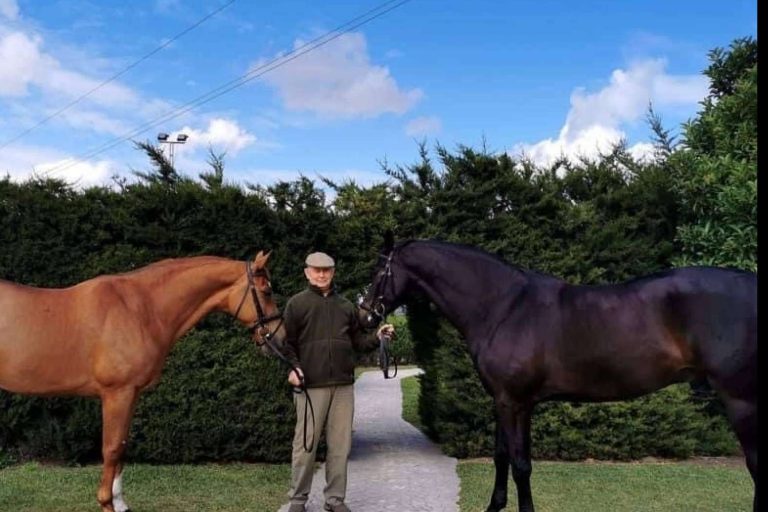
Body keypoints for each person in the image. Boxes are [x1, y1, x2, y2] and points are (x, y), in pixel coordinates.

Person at [282, 251, 394, 512]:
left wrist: (378, 336)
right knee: (305, 447)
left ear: (333, 273)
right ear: (307, 272)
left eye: (327, 270)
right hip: (310, 388)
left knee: (340, 448)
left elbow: (358, 343)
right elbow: (287, 345)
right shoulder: (296, 304)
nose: (322, 274)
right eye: (316, 270)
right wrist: (294, 368)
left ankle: (334, 501)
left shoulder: (345, 306)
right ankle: (298, 500)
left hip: (343, 387)